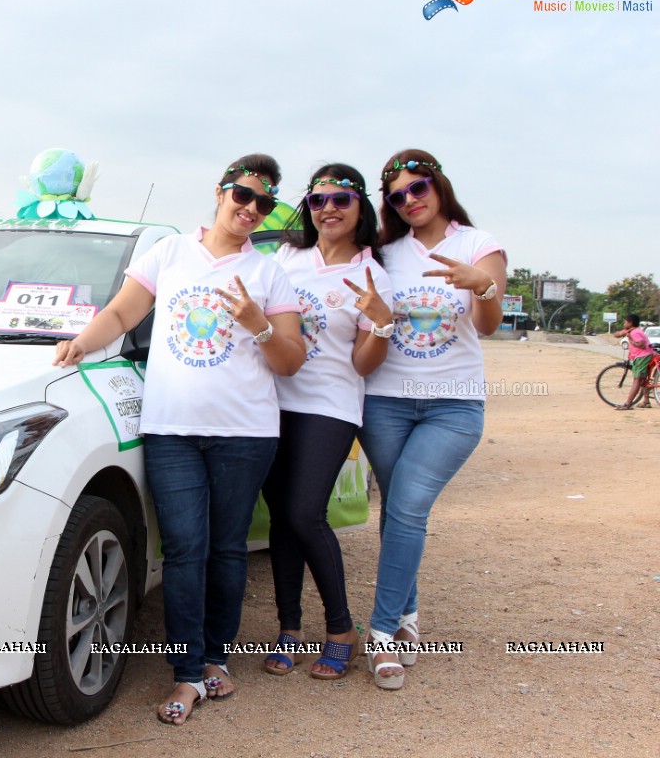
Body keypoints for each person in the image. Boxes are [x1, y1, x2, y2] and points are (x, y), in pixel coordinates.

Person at [53, 154, 304, 724]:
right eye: (243, 195)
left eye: (263, 204)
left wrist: (256, 323)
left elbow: (290, 361)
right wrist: (79, 344)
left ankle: (217, 659)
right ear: (220, 193)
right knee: (186, 548)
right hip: (171, 433)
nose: (250, 209)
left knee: (227, 547)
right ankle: (187, 672)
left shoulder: (269, 273)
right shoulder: (169, 253)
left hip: (246, 434)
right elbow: (121, 313)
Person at [358, 149, 507, 691]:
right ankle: (406, 617)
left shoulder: (479, 245)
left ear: (439, 186)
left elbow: (488, 325)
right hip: (385, 402)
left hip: (454, 405)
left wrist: (482, 285)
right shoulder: (383, 252)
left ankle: (379, 634)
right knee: (400, 513)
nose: (410, 200)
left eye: (418, 188)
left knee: (408, 507)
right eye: (397, 195)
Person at [262, 164, 393, 681]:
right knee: (281, 519)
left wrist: (381, 321)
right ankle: (289, 629)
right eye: (317, 201)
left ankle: (341, 629)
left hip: (330, 406)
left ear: (361, 208)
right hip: (271, 401)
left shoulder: (372, 275)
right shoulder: (287, 257)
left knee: (304, 513)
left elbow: (364, 364)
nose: (329, 209)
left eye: (341, 199)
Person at [612, 314, 653, 410]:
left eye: (625, 322)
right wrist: (625, 333)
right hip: (640, 356)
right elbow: (616, 335)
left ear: (630, 323)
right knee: (642, 379)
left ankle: (628, 404)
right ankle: (646, 401)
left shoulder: (635, 333)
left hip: (642, 356)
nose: (624, 323)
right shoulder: (633, 331)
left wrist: (631, 339)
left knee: (637, 380)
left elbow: (642, 345)